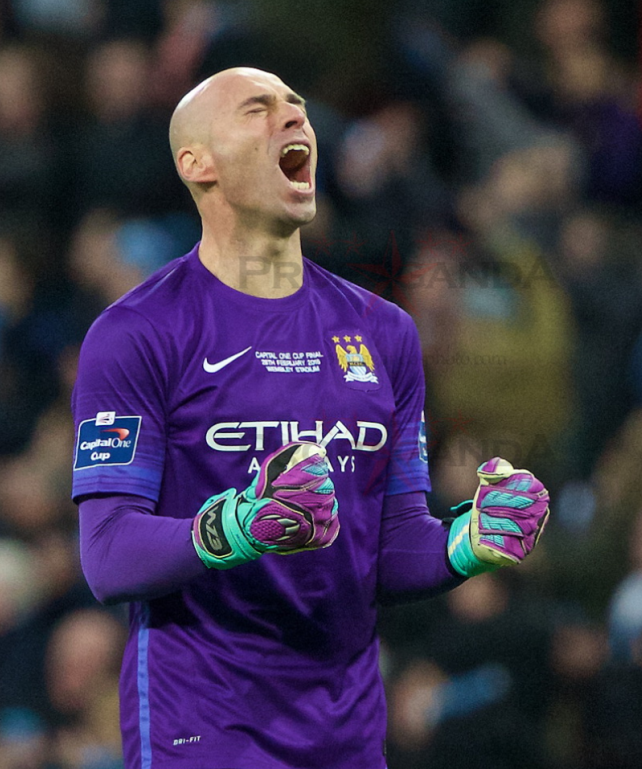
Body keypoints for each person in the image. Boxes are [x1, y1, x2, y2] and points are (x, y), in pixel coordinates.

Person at [69, 67, 551, 769]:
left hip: (346, 732)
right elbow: (108, 554)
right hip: (204, 728)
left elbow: (387, 545)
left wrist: (470, 537)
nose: (294, 121)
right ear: (196, 163)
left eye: (298, 108)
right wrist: (237, 525)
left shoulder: (384, 332)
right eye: (258, 111)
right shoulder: (139, 332)